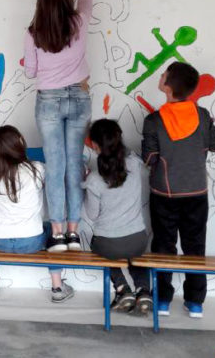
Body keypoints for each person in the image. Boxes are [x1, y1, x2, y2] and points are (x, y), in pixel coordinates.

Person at [24, 0, 94, 252]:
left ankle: (56, 233)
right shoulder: (79, 22)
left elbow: (31, 72)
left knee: (56, 166)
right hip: (79, 97)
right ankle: (74, 233)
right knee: (73, 165)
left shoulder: (34, 33)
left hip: (48, 102)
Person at [142, 62, 215, 318]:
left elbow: (149, 158)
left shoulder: (154, 120)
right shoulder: (203, 115)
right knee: (195, 247)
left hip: (164, 194)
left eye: (163, 74)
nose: (160, 76)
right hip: (197, 191)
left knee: (163, 246)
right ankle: (195, 302)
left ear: (168, 86)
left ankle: (163, 300)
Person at [0, 126, 74, 302]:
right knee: (53, 230)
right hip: (31, 242)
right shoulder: (36, 169)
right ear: (20, 142)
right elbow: (54, 170)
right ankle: (57, 287)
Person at [83, 119, 152, 316]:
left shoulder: (94, 179)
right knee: (135, 256)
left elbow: (92, 215)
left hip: (108, 244)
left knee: (100, 248)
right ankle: (143, 290)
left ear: (94, 145)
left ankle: (122, 289)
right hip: (138, 240)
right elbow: (126, 154)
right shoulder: (135, 165)